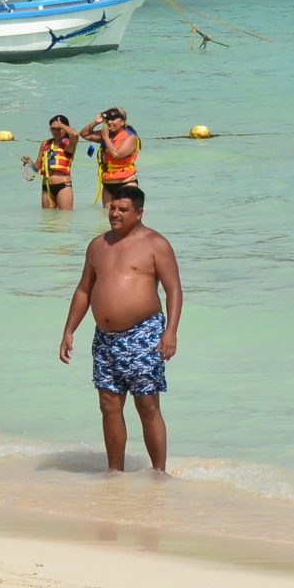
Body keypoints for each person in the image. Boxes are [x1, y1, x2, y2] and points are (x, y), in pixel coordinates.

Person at [57, 186, 182, 474]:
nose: (115, 213)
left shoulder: (155, 244)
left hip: (144, 334)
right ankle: (114, 473)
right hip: (104, 338)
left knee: (147, 405)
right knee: (108, 404)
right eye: (113, 208)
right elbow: (83, 290)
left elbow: (173, 289)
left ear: (139, 212)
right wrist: (69, 330)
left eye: (123, 210)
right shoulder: (97, 245)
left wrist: (171, 332)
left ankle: (159, 473)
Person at [82, 106, 141, 203]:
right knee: (107, 216)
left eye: (113, 119)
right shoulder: (108, 135)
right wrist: (96, 122)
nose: (109, 122)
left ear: (122, 121)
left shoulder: (131, 138)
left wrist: (105, 138)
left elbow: (116, 154)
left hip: (126, 183)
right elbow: (84, 134)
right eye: (108, 119)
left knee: (125, 216)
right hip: (108, 184)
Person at [26, 114, 79, 209]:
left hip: (63, 186)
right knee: (48, 220)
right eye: (53, 129)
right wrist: (29, 162)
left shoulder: (68, 144)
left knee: (64, 219)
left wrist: (61, 124)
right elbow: (37, 168)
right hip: (46, 187)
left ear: (66, 128)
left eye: (59, 129)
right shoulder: (45, 144)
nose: (56, 132)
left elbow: (75, 134)